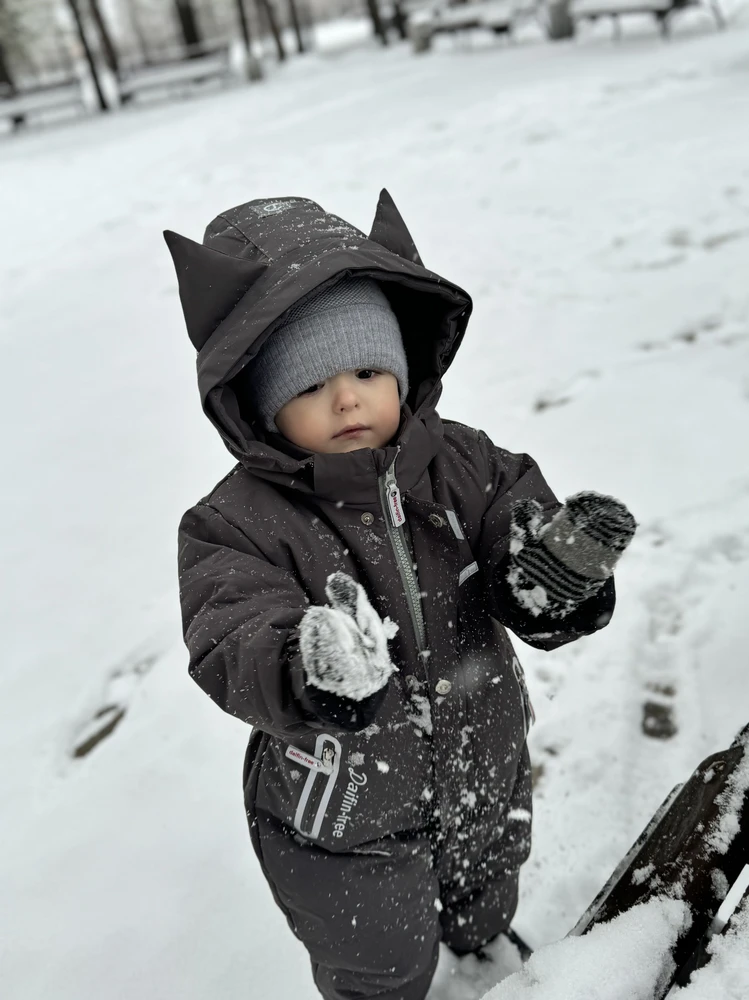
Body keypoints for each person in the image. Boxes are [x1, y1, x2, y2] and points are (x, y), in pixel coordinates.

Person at [165, 191, 636, 1000]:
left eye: (367, 371)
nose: (347, 399)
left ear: (403, 368)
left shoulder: (466, 465)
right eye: (311, 385)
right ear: (258, 398)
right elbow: (229, 630)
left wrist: (547, 583)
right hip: (343, 809)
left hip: (481, 751)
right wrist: (303, 664)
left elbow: (510, 535)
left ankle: (481, 947)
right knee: (375, 956)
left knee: (488, 877)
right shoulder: (236, 523)